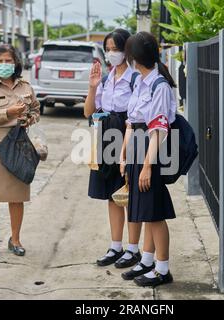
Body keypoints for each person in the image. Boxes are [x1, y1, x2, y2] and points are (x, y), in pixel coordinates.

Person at [120, 32, 177, 287]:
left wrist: (146, 166)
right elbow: (132, 122)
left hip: (150, 152)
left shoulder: (159, 86)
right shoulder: (141, 82)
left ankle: (162, 269)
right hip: (137, 149)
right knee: (144, 209)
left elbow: (159, 130)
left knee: (154, 213)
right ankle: (147, 260)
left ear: (134, 58)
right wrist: (123, 155)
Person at [84, 29, 143, 269]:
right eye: (108, 49)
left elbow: (138, 115)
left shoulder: (136, 78)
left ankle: (133, 249)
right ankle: (116, 246)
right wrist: (92, 86)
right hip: (106, 137)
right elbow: (88, 113)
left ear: (127, 50)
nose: (111, 54)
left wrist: (127, 150)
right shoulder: (106, 79)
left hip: (129, 136)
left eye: (116, 49)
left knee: (131, 194)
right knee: (112, 195)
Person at [0, 44, 40, 258]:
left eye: (8, 61)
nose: (4, 65)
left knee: (17, 196)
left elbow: (36, 111)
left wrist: (28, 117)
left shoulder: (25, 87)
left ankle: (15, 239)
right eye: (0, 61)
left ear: (16, 63)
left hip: (19, 144)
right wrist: (8, 112)